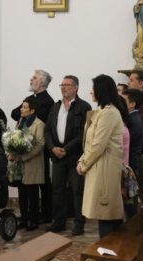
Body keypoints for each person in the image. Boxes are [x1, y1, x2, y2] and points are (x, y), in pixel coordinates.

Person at [77, 74, 124, 261]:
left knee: (106, 217)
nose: (91, 91)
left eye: (93, 88)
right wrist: (83, 160)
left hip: (103, 170)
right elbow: (90, 143)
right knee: (107, 218)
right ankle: (111, 260)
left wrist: (84, 164)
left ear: (102, 90)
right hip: (99, 167)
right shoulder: (103, 111)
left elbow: (98, 144)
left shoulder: (109, 113)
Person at [45, 75, 91, 235]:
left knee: (77, 190)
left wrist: (66, 149)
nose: (63, 88)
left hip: (74, 157)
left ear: (76, 87)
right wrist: (53, 148)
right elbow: (48, 131)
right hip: (57, 156)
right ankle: (58, 222)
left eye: (67, 85)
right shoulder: (55, 107)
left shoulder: (84, 107)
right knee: (57, 189)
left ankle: (79, 224)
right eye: (62, 85)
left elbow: (83, 134)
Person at [11, 70, 54, 224]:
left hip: (38, 148)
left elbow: (41, 124)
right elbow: (14, 113)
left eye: (34, 78)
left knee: (41, 182)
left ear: (42, 82)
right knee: (24, 185)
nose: (31, 79)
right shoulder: (29, 99)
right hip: (23, 149)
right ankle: (27, 215)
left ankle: (45, 213)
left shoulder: (48, 101)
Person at [8, 97, 45, 231]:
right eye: (21, 106)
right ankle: (23, 218)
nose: (21, 109)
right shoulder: (19, 122)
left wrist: (23, 157)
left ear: (32, 110)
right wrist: (11, 152)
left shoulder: (39, 124)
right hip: (19, 164)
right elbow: (14, 140)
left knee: (32, 193)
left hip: (32, 163)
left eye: (24, 107)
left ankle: (33, 219)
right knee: (22, 192)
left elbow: (40, 145)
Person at [121, 88, 143, 218]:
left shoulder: (133, 120)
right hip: (130, 163)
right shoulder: (131, 118)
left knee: (129, 200)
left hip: (131, 164)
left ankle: (132, 227)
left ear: (132, 104)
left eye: (124, 100)